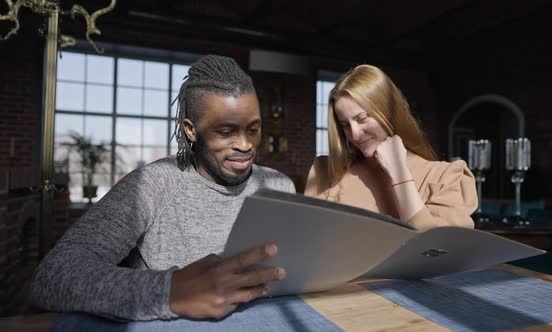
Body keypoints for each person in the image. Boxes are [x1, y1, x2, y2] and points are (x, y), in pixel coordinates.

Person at [30, 55, 295, 321]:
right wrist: (171, 291)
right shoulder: (153, 185)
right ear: (191, 130)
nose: (245, 145)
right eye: (226, 131)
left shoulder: (279, 185)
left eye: (253, 129)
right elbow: (53, 276)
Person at [305, 65, 477, 230]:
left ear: (389, 112)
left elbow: (436, 250)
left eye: (362, 118)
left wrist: (398, 172)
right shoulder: (326, 172)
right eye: (345, 125)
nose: (355, 134)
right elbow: (308, 244)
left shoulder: (447, 177)